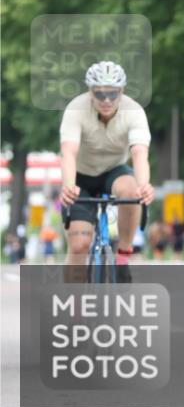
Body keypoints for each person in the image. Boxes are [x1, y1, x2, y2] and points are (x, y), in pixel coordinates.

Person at [58, 62, 154, 283]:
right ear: (90, 91)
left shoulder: (134, 112)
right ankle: (75, 301)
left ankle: (123, 257)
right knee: (79, 245)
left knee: (132, 190)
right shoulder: (76, 109)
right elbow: (68, 152)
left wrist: (144, 185)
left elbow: (139, 154)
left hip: (114, 171)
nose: (107, 100)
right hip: (80, 176)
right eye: (99, 94)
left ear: (122, 91)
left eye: (113, 93)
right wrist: (69, 185)